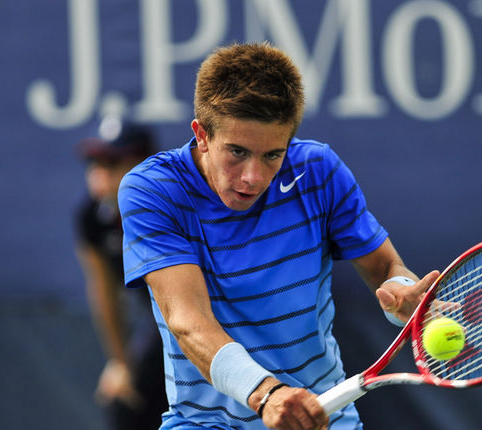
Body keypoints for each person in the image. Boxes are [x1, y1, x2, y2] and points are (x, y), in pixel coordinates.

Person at [118, 42, 439, 430]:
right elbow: (188, 321)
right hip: (206, 424)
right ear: (201, 135)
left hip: (323, 418)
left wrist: (402, 293)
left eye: (272, 155)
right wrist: (267, 394)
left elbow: (386, 266)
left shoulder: (318, 170)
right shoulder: (152, 190)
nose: (253, 177)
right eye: (236, 151)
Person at [74, 117, 168, 430]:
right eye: (94, 162)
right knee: (124, 396)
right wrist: (120, 363)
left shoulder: (174, 207)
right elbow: (103, 293)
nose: (99, 173)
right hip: (163, 317)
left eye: (113, 162)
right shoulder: (91, 217)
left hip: (217, 315)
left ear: (145, 164)